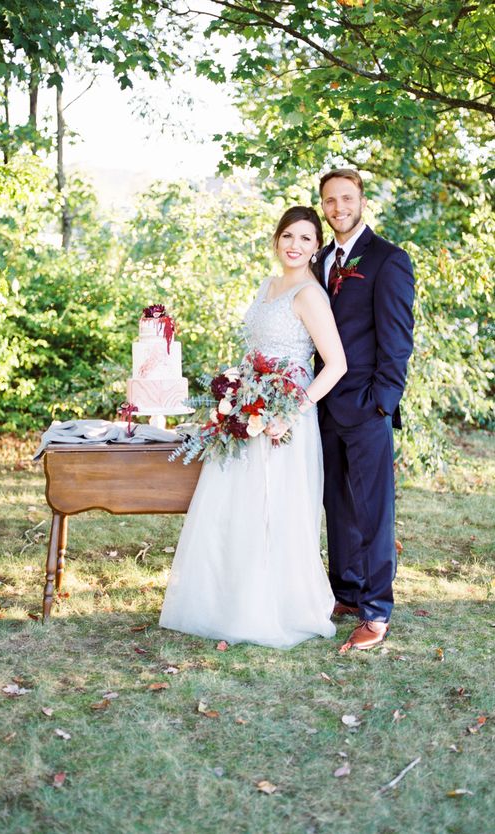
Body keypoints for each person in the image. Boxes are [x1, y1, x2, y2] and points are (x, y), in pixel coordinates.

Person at [159, 207, 347, 649]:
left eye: (305, 238)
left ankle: (274, 606)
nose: (295, 245)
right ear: (276, 240)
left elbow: (335, 364)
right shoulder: (269, 285)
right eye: (287, 236)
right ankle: (227, 601)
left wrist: (291, 410)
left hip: (285, 416)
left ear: (316, 246)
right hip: (248, 409)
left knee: (274, 506)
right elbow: (256, 349)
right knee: (237, 504)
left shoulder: (309, 295)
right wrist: (234, 393)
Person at [316, 169, 415, 652]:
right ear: (323, 205)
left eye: (347, 198)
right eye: (331, 200)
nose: (339, 208)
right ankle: (347, 592)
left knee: (374, 513)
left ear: (362, 201)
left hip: (367, 406)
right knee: (337, 505)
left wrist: (382, 402)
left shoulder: (388, 260)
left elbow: (397, 341)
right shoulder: (317, 261)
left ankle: (376, 610)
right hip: (324, 409)